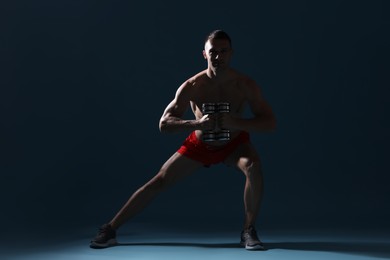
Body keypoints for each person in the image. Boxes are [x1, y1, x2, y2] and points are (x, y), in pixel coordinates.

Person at [90, 30, 276, 251]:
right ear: (204, 55)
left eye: (223, 51)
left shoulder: (245, 85)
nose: (218, 56)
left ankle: (248, 230)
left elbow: (269, 123)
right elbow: (164, 124)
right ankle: (110, 229)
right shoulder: (192, 86)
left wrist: (236, 123)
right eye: (213, 52)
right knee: (159, 181)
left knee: (253, 166)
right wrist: (196, 124)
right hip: (201, 144)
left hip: (234, 144)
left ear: (231, 53)